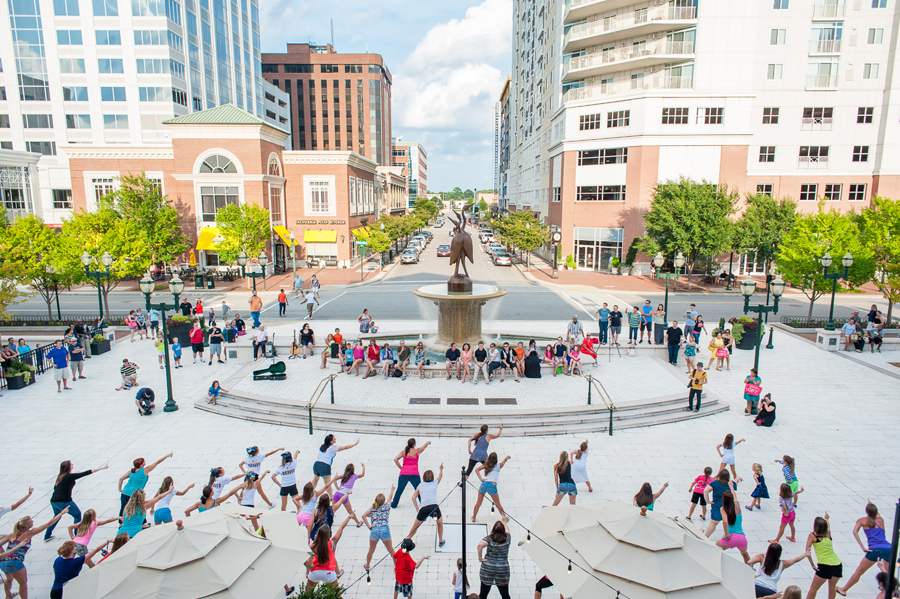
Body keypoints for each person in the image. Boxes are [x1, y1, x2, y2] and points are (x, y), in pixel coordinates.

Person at [0, 509, 72, 599]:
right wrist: (61, 513)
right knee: (23, 583)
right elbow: (48, 524)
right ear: (27, 526)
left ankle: (7, 596)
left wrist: (4, 554)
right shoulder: (29, 533)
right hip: (15, 563)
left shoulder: (12, 535)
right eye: (31, 521)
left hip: (3, 563)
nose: (33, 521)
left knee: (9, 579)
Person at [837, 501, 893, 595]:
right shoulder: (881, 520)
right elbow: (877, 514)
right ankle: (888, 592)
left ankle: (844, 589)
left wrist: (863, 547)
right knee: (887, 572)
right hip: (888, 548)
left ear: (866, 512)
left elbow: (855, 532)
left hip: (874, 549)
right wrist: (871, 503)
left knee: (859, 571)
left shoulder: (862, 520)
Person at [44, 460, 109, 542]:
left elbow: (55, 488)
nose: (73, 465)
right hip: (65, 502)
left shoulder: (60, 476)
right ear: (68, 467)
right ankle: (77, 534)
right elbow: (85, 473)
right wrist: (101, 468)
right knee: (77, 515)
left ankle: (47, 535)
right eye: (71, 464)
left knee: (56, 517)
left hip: (54, 501)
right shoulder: (69, 476)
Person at [805, 513, 843, 598]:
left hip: (825, 565)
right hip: (837, 564)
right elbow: (828, 526)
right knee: (832, 588)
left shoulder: (813, 535)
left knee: (813, 589)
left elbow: (807, 552)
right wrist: (827, 519)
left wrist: (812, 564)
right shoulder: (828, 534)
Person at [407, 465, 446, 546]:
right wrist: (441, 469)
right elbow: (440, 476)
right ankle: (440, 541)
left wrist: (418, 509)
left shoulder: (421, 485)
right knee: (439, 523)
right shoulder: (435, 483)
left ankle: (408, 539)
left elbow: (413, 497)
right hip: (434, 507)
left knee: (415, 526)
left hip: (423, 509)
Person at [477, 517, 512, 599]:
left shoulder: (489, 539)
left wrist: (480, 558)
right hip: (502, 569)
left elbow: (479, 545)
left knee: (483, 594)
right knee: (505, 594)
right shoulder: (507, 538)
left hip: (488, 568)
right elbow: (507, 529)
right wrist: (504, 521)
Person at [391, 439, 430, 509]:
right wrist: (427, 442)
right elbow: (424, 446)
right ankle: (423, 503)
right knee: (418, 489)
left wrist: (401, 467)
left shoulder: (404, 452)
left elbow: (395, 459)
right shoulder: (417, 451)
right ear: (414, 445)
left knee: (399, 490)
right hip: (414, 473)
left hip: (404, 473)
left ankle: (394, 504)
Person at [715, 490, 750, 563]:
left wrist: (726, 534)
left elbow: (725, 521)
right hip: (742, 538)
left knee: (715, 549)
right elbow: (735, 496)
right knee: (744, 554)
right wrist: (731, 486)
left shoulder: (723, 509)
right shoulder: (737, 505)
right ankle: (750, 568)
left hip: (731, 537)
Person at [472, 455, 510, 521]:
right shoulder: (498, 466)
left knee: (478, 503)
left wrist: (481, 479)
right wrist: (507, 457)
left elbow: (476, 470)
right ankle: (504, 517)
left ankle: (474, 517)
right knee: (498, 504)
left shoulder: (487, 465)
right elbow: (503, 462)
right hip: (492, 485)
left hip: (484, 484)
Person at [703, 469, 736, 538]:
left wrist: (707, 501)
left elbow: (705, 490)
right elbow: (734, 494)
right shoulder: (731, 484)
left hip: (717, 506)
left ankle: (705, 537)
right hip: (728, 507)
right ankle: (727, 534)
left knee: (713, 523)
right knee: (728, 522)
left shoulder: (715, 483)